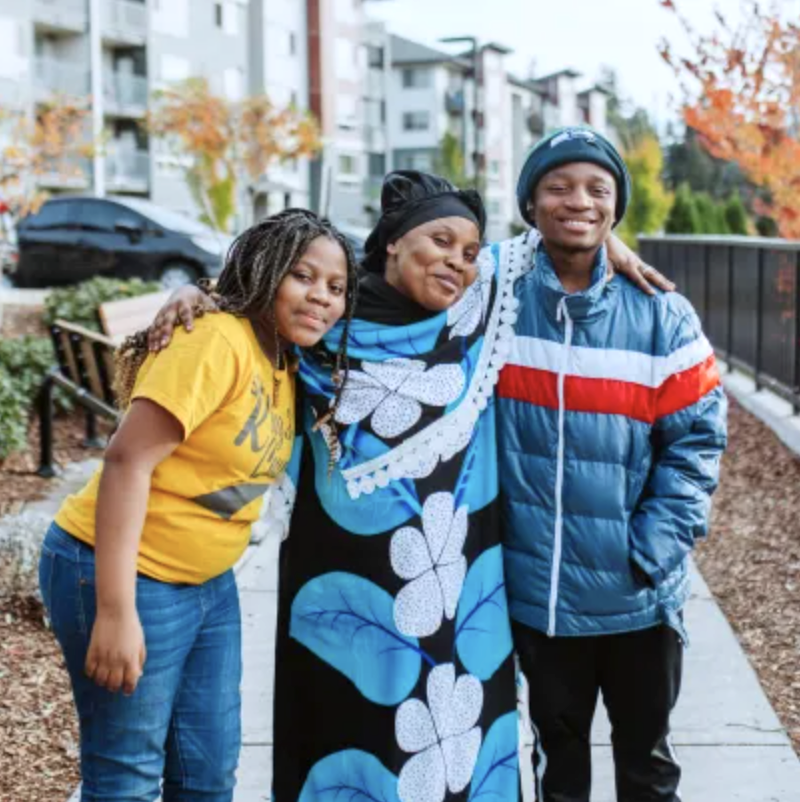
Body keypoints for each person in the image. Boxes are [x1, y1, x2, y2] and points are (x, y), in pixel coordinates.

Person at [150, 170, 671, 802]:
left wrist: (611, 243)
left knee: (455, 754)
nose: (457, 261)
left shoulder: (475, 317)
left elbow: (556, 235)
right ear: (392, 242)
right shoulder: (321, 330)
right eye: (440, 240)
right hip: (343, 595)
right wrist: (197, 292)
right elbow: (258, 299)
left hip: (458, 590)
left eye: (470, 251)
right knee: (350, 751)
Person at [37, 209, 358, 802]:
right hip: (127, 571)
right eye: (303, 276)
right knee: (126, 778)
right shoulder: (216, 340)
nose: (322, 297)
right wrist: (115, 610)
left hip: (208, 582)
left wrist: (197, 288)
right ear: (265, 271)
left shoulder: (285, 354)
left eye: (336, 288)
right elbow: (127, 461)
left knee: (207, 773)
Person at [493, 127, 728, 802]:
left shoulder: (664, 316)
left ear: (617, 208)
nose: (580, 202)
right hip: (539, 600)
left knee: (648, 770)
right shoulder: (491, 302)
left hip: (637, 599)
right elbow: (388, 278)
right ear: (529, 203)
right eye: (558, 186)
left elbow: (698, 443)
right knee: (556, 769)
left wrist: (652, 550)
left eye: (599, 189)